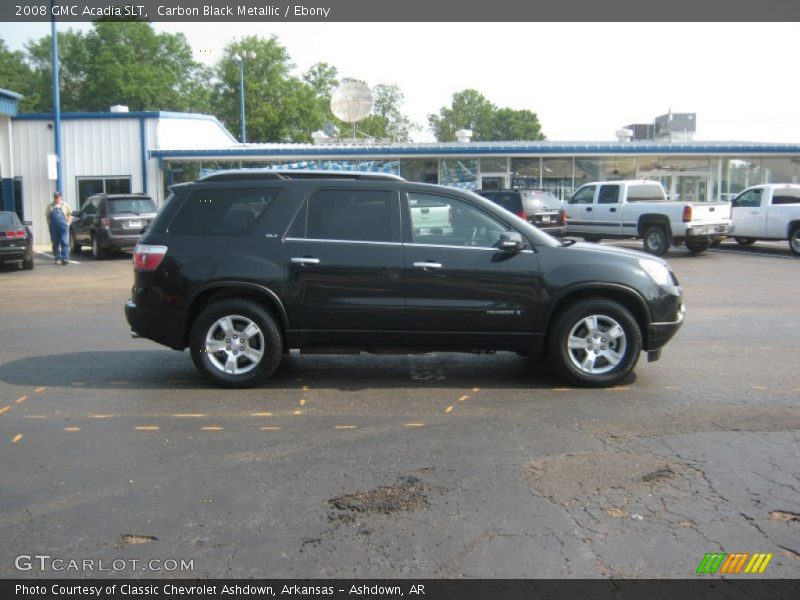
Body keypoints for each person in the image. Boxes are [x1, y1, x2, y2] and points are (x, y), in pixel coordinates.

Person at [45, 191, 72, 265]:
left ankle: (65, 258)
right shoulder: (50, 206)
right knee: (55, 242)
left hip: (63, 227)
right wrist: (49, 225)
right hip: (53, 227)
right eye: (55, 197)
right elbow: (47, 216)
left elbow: (69, 215)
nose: (56, 198)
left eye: (57, 197)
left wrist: (68, 224)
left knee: (64, 242)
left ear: (60, 197)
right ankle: (57, 258)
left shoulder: (65, 205)